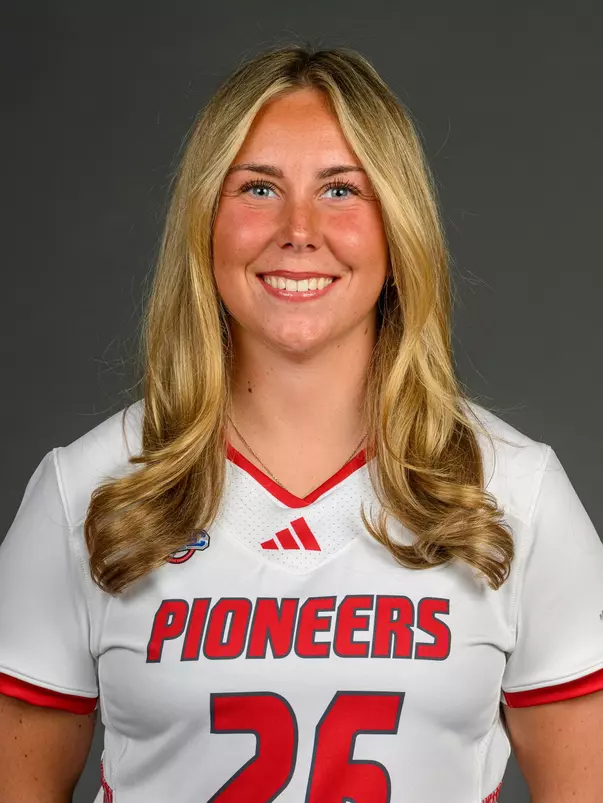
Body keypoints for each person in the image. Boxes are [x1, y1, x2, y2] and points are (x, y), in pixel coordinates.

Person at [0, 44, 602, 803]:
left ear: (398, 225)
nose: (297, 229)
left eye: (341, 191)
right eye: (256, 188)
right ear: (203, 221)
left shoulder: (515, 493)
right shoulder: (83, 491)